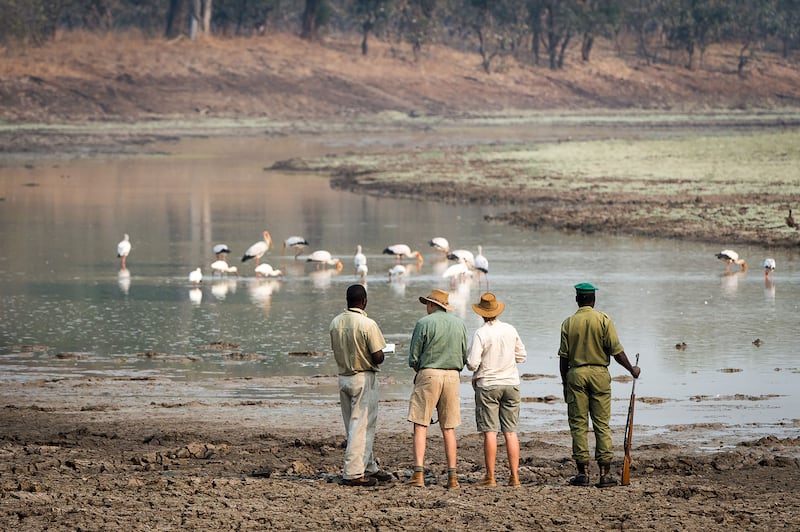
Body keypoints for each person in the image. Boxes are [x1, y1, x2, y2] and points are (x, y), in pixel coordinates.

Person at [558, 282, 641, 488]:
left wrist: (565, 382)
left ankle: (583, 473)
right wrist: (632, 369)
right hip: (599, 375)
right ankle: (604, 474)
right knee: (601, 424)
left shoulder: (568, 323)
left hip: (575, 375)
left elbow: (563, 358)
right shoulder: (604, 320)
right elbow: (616, 351)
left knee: (578, 424)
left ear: (577, 299)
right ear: (593, 300)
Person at [329, 284, 392, 487]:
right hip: (363, 378)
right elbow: (377, 356)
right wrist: (384, 352)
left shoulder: (335, 322)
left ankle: (368, 466)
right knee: (362, 425)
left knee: (353, 425)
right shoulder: (368, 324)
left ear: (347, 300)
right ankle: (353, 473)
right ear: (364, 301)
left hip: (343, 377)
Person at [407, 288, 468, 489]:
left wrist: (420, 369)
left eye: (427, 303)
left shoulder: (423, 323)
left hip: (429, 373)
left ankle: (418, 474)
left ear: (432, 305)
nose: (426, 307)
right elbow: (463, 356)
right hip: (452, 376)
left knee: (420, 424)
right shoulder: (459, 324)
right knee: (448, 428)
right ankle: (452, 477)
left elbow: (413, 357)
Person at [466, 292, 527, 488]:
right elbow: (522, 356)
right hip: (511, 383)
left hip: (488, 386)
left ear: (482, 313)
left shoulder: (480, 333)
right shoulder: (510, 329)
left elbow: (472, 364)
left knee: (490, 432)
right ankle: (514, 477)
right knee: (511, 432)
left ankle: (490, 477)